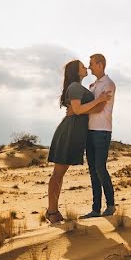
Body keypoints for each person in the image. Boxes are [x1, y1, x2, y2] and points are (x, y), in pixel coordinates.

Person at [45, 59, 112, 224]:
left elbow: (89, 110)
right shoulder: (75, 87)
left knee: (60, 174)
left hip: (76, 133)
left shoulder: (81, 88)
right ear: (76, 71)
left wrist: (89, 107)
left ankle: (53, 211)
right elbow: (78, 109)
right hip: (68, 133)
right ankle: (52, 211)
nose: (86, 67)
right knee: (58, 174)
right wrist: (98, 100)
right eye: (83, 66)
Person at [81, 53, 117, 218]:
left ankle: (110, 205)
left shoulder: (108, 84)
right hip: (90, 131)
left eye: (91, 64)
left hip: (102, 131)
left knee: (100, 168)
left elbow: (99, 109)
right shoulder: (93, 85)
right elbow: (92, 107)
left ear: (100, 64)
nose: (89, 67)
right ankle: (96, 209)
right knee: (92, 171)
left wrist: (81, 109)